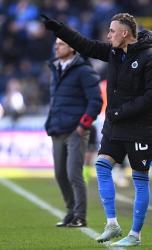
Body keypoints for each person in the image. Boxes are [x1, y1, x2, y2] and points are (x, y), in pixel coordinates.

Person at [41, 13, 152, 247]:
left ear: (125, 33)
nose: (108, 36)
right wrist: (59, 29)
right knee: (101, 166)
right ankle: (112, 224)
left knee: (140, 181)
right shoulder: (113, 52)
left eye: (111, 31)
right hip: (114, 126)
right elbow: (85, 45)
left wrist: (121, 112)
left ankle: (135, 236)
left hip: (139, 128)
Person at [45, 38, 102, 227]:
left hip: (75, 131)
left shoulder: (84, 70)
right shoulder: (55, 69)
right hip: (57, 130)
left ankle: (80, 216)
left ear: (71, 48)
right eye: (55, 44)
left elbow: (95, 101)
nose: (56, 47)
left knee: (73, 174)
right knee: (60, 174)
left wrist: (82, 126)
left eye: (60, 44)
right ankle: (70, 213)